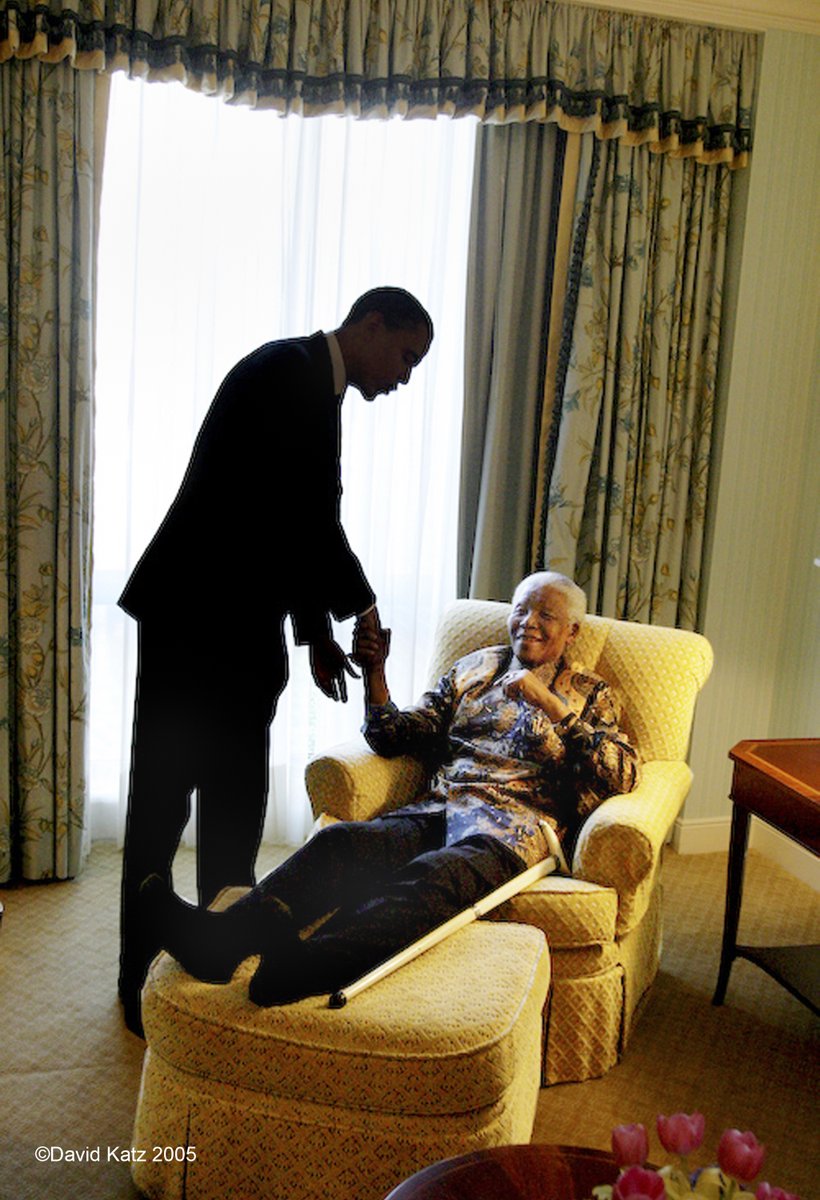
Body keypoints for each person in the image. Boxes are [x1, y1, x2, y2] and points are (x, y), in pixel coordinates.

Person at [118, 286, 433, 1034]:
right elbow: (309, 520)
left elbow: (279, 523)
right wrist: (361, 608)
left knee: (235, 806)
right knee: (165, 807)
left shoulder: (305, 379)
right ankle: (139, 985)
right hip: (197, 626)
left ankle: (213, 961)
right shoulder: (289, 375)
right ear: (371, 324)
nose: (404, 378)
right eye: (406, 356)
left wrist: (315, 632)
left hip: (231, 628)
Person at [140, 571, 640, 1008]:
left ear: (572, 630)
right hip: (440, 807)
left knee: (426, 880)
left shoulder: (590, 692)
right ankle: (221, 944)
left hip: (511, 832)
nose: (528, 622)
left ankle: (299, 969)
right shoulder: (475, 668)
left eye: (546, 614)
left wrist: (549, 703)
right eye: (520, 609)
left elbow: (620, 774)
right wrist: (375, 674)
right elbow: (393, 735)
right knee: (340, 843)